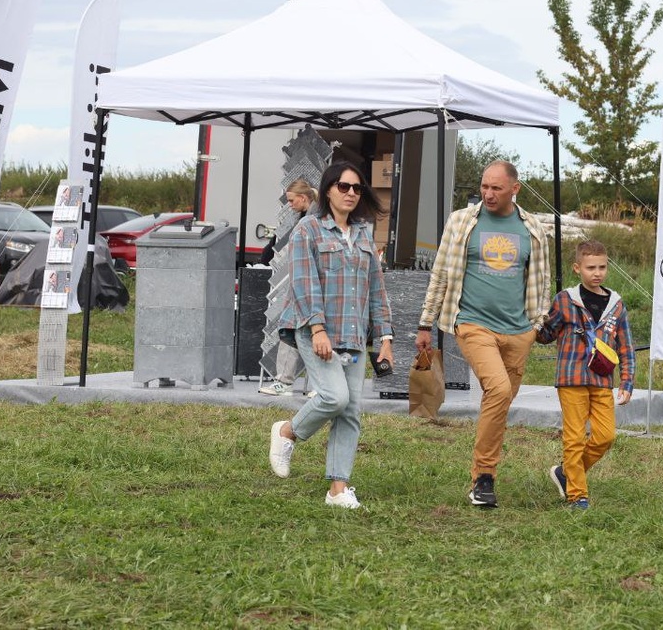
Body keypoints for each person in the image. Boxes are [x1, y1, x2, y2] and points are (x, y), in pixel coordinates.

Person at [415, 160, 550, 509]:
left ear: (515, 189)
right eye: (484, 186)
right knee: (499, 389)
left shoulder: (533, 228)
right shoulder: (461, 221)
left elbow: (542, 279)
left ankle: (481, 478)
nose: (488, 194)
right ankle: (485, 477)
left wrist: (537, 324)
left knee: (499, 402)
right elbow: (441, 273)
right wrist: (425, 322)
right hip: (473, 323)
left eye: (496, 188)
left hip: (519, 330)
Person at [267, 162, 393, 509]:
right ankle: (287, 431)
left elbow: (376, 289)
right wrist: (318, 329)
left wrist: (385, 339)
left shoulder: (364, 233)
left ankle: (338, 489)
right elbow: (303, 283)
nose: (351, 193)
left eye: (357, 188)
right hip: (315, 329)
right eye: (343, 186)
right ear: (327, 190)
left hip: (354, 334)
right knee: (335, 398)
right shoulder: (308, 229)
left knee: (350, 411)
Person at [538, 240, 635, 510]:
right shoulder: (565, 300)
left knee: (606, 436)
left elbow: (626, 347)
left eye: (602, 267)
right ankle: (577, 496)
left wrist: (627, 381)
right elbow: (545, 335)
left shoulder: (616, 305)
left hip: (602, 380)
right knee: (574, 437)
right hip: (571, 379)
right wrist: (533, 320)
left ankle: (566, 473)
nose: (597, 273)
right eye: (591, 268)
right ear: (577, 268)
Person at [259, 178, 318, 397]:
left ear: (303, 198)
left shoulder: (314, 219)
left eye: (292, 200)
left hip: (309, 283)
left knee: (310, 332)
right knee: (291, 329)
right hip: (302, 281)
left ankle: (291, 382)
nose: (290, 205)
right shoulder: (308, 216)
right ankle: (286, 381)